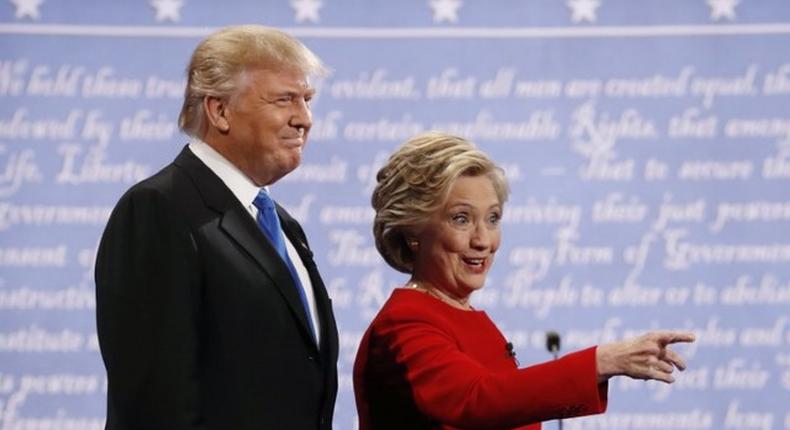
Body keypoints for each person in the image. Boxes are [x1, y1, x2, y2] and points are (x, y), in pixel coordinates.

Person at [353, 131, 695, 430]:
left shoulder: (462, 316)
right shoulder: (405, 322)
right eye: (461, 219)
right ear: (414, 231)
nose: (483, 240)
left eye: (493, 219)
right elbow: (475, 400)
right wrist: (601, 362)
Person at [95, 25, 338, 430]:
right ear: (219, 110)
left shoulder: (282, 224)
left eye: (307, 100)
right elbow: (154, 403)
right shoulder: (159, 210)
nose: (304, 120)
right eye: (284, 100)